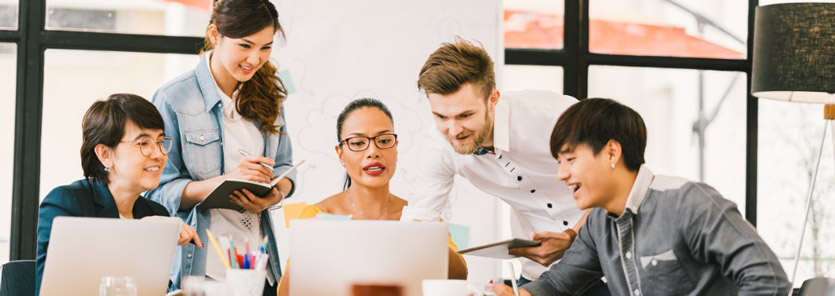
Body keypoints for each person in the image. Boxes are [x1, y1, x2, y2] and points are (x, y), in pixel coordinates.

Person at [492, 98, 791, 295]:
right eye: (559, 162)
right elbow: (559, 285)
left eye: (570, 160)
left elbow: (768, 279)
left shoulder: (688, 203)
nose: (561, 174)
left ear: (611, 152)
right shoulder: (598, 224)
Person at [408, 38, 592, 285]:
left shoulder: (554, 116)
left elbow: (617, 185)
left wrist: (571, 236)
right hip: (541, 273)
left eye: (465, 115)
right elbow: (421, 223)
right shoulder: (438, 147)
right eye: (441, 116)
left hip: (609, 257)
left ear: (493, 99)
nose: (453, 130)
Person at [145, 0, 294, 293]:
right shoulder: (173, 98)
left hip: (259, 269)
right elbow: (156, 191)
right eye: (245, 45)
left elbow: (287, 168)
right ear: (215, 34)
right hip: (203, 270)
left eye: (265, 47)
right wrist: (224, 183)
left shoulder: (270, 96)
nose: (255, 58)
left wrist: (275, 194)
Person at [277, 98, 468, 296]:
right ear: (340, 154)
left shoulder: (420, 213)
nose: (373, 152)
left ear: (396, 147)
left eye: (384, 141)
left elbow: (459, 276)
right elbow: (285, 294)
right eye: (358, 143)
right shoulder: (319, 215)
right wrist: (310, 246)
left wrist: (423, 236)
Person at [35, 94, 202, 295]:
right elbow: (56, 291)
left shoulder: (155, 212)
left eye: (160, 141)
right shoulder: (66, 204)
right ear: (105, 154)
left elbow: (154, 289)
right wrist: (138, 233)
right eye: (143, 143)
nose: (158, 154)